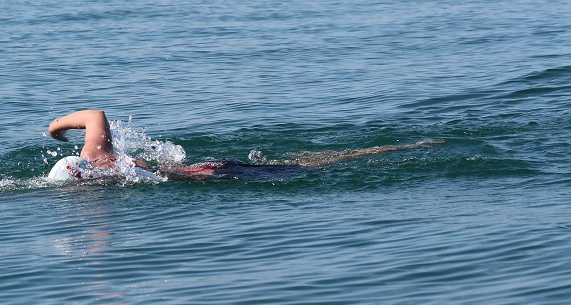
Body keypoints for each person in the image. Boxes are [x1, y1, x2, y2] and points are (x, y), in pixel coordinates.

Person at [46, 109, 440, 182]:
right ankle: (405, 146)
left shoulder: (104, 172)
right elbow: (95, 113)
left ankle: (401, 149)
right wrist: (56, 127)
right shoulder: (96, 154)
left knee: (320, 167)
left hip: (214, 173)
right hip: (212, 164)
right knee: (312, 162)